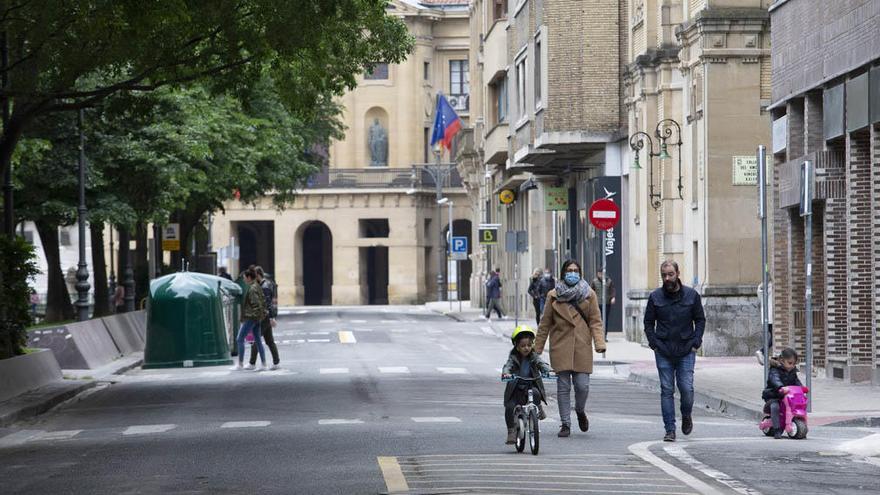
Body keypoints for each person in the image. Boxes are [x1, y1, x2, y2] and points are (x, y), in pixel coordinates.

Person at [535, 259, 606, 438]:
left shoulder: (589, 294)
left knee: (582, 386)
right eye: (569, 270)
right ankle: (565, 423)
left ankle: (580, 411)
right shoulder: (553, 295)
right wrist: (537, 348)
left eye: (575, 270)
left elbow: (595, 321)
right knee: (563, 387)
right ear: (563, 273)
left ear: (580, 273)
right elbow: (545, 324)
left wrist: (599, 343)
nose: (572, 273)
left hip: (582, 346)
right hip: (561, 346)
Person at [644, 260, 706, 442]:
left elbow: (700, 319)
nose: (667, 278)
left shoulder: (691, 296)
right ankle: (669, 429)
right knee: (666, 389)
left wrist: (696, 341)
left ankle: (686, 414)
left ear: (678, 273)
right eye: (664, 275)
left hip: (686, 349)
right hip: (663, 350)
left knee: (686, 388)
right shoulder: (655, 297)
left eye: (670, 274)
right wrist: (653, 343)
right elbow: (648, 323)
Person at [501, 325, 551, 444]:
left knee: (536, 392)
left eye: (529, 345)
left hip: (529, 386)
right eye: (523, 346)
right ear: (517, 347)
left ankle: (538, 408)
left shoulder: (534, 357)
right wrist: (506, 374)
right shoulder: (513, 358)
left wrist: (547, 370)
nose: (526, 348)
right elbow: (507, 367)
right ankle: (511, 431)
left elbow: (541, 363)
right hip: (516, 389)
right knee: (509, 407)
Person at [231, 268, 268, 371]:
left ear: (248, 277)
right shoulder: (257, 286)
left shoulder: (252, 289)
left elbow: (256, 305)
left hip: (252, 318)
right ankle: (264, 364)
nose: (243, 280)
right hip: (256, 318)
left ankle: (240, 364)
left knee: (240, 338)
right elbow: (262, 302)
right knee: (258, 340)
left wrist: (253, 318)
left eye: (244, 278)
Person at [762, 347, 803, 439]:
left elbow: (796, 381)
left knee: (796, 405)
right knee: (775, 406)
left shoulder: (792, 371)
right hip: (774, 395)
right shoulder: (774, 370)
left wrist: (801, 388)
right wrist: (780, 387)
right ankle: (777, 429)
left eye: (794, 364)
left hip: (787, 396)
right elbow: (774, 379)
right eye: (790, 363)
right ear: (781, 360)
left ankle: (796, 423)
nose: (792, 366)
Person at [249, 266, 280, 370]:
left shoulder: (265, 287)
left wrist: (271, 317)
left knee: (256, 340)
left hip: (264, 317)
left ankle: (252, 363)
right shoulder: (265, 284)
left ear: (258, 275)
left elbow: (267, 304)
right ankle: (276, 363)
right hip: (266, 317)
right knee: (269, 341)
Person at [755, 278, 773, 365]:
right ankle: (762, 351)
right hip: (771, 317)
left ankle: (763, 353)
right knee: (773, 338)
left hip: (765, 317)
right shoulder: (772, 287)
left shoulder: (760, 289)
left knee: (772, 337)